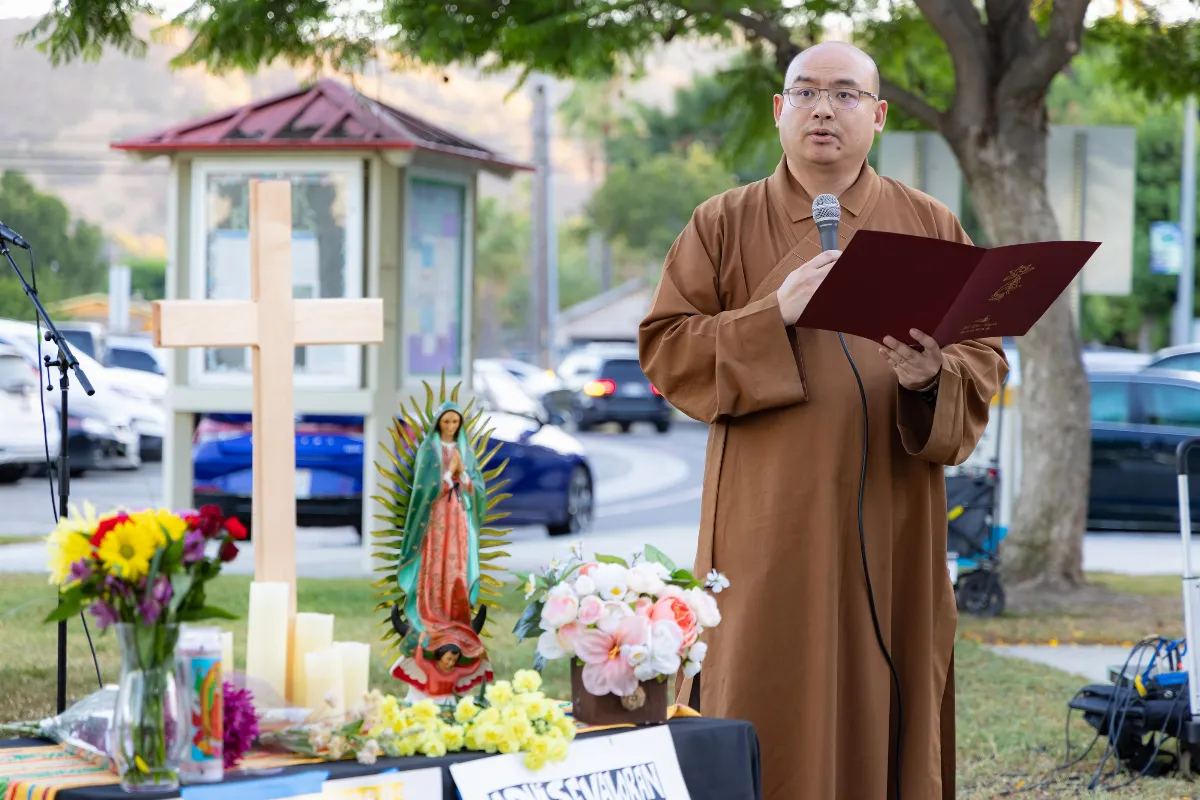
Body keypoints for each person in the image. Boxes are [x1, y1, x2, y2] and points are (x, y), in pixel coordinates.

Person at [638, 41, 1009, 800]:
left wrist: (931, 376)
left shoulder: (929, 224)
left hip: (894, 511)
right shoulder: (723, 223)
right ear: (779, 111)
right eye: (805, 93)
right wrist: (771, 316)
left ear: (876, 117)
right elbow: (667, 349)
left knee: (891, 673)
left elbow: (983, 359)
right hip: (768, 514)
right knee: (760, 671)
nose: (823, 110)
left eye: (845, 95)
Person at [389, 402, 493, 699]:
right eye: (446, 422)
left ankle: (456, 617)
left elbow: (477, 490)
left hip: (458, 516)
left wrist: (463, 477)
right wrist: (447, 478)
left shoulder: (465, 450)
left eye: (454, 422)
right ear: (438, 424)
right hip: (435, 519)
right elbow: (423, 488)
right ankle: (430, 615)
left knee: (456, 568)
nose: (450, 427)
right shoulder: (430, 451)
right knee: (435, 567)